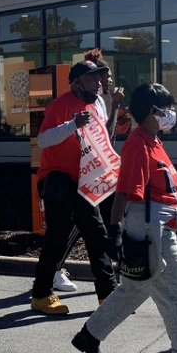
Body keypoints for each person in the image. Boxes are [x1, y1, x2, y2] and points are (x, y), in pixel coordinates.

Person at [72, 83, 177, 353]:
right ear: (150, 112)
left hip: (159, 227)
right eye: (166, 109)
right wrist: (115, 232)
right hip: (154, 232)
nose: (171, 113)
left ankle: (89, 336)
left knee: (133, 290)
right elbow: (125, 192)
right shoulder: (137, 144)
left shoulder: (153, 141)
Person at [30, 58, 119, 315]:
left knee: (97, 234)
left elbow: (103, 140)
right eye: (92, 79)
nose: (98, 83)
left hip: (85, 180)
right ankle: (42, 295)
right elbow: (44, 140)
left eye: (99, 79)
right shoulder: (60, 105)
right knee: (57, 238)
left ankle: (108, 294)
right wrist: (72, 125)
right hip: (58, 178)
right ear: (77, 83)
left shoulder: (97, 105)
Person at [53, 49, 125, 294]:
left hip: (102, 169)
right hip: (83, 171)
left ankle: (114, 276)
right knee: (87, 224)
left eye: (105, 78)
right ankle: (56, 269)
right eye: (105, 77)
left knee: (103, 224)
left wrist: (114, 107)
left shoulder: (101, 102)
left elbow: (108, 134)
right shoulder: (74, 102)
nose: (108, 81)